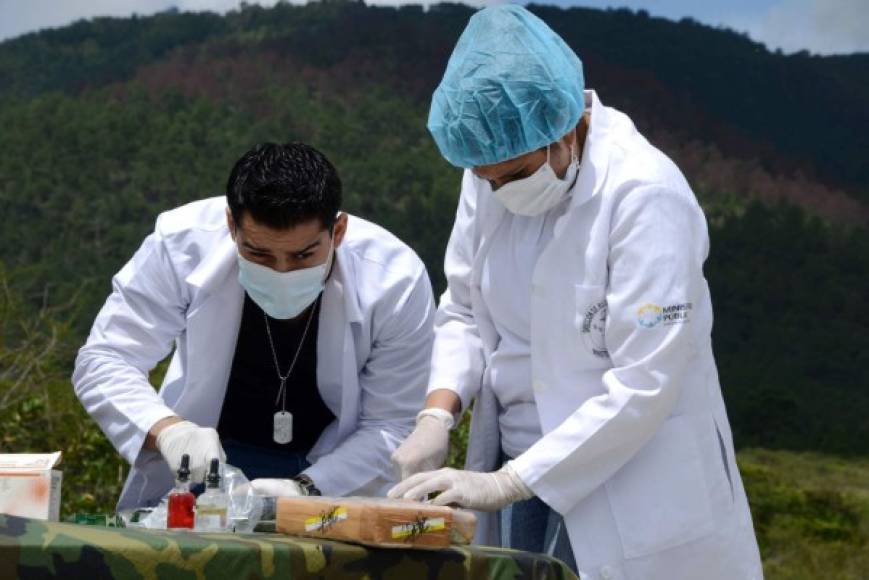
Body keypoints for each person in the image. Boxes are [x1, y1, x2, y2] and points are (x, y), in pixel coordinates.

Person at [388, 6, 763, 580]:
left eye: (513, 175)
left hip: (633, 475)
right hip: (516, 468)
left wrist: (508, 482)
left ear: (564, 128)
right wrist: (437, 415)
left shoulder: (644, 195)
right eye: (487, 180)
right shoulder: (490, 169)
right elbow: (462, 307)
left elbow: (645, 380)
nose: (499, 191)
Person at [74, 142, 435, 509]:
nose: (281, 271)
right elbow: (105, 358)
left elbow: (390, 424)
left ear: (337, 232)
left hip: (333, 473)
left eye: (303, 255)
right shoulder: (181, 244)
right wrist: (168, 431)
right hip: (207, 467)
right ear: (232, 225)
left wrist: (307, 488)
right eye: (259, 254)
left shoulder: (395, 280)